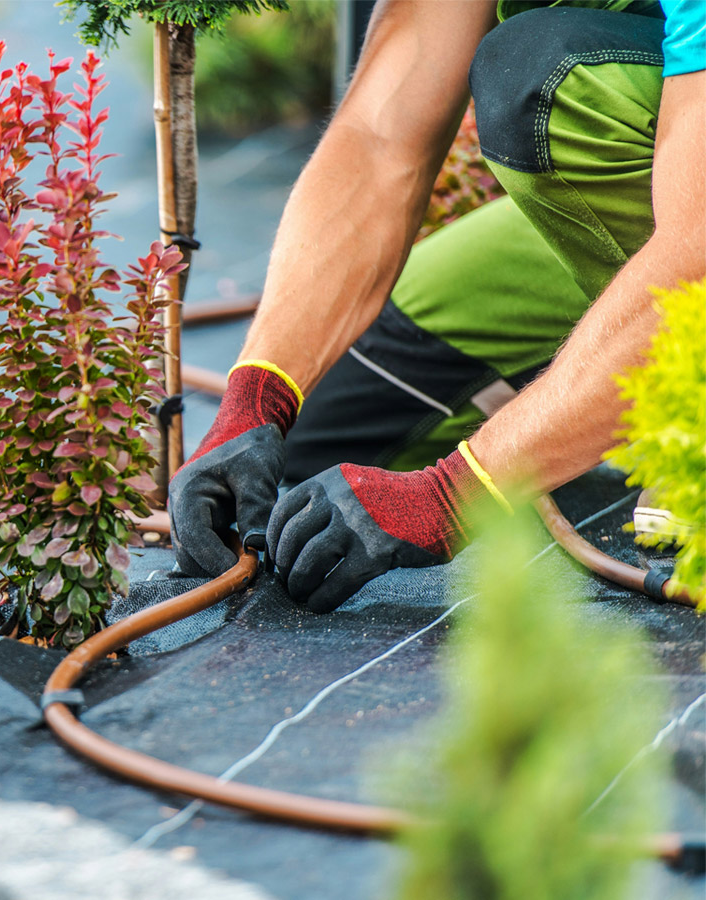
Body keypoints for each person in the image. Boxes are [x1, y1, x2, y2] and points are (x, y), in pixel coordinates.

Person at [169, 0, 704, 612]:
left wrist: (451, 495)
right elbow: (379, 137)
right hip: (670, 182)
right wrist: (256, 397)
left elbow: (695, 257)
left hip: (694, 211)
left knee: (544, 77)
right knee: (331, 433)